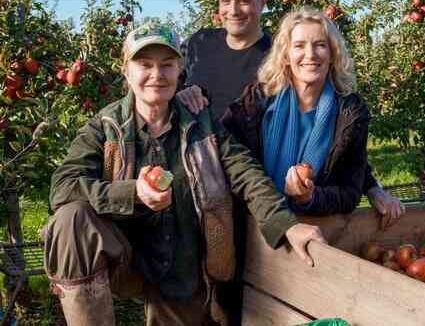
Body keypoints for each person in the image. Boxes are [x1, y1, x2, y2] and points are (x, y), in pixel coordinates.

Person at [42, 23, 325, 326]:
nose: (156, 74)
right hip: (123, 258)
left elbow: (246, 174)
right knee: (71, 218)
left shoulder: (202, 124)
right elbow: (63, 187)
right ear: (126, 72)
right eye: (144, 64)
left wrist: (287, 225)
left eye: (167, 65)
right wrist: (133, 192)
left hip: (182, 266)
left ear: (180, 70)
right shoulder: (105, 127)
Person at [178, 0, 405, 225]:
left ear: (262, 2)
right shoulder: (199, 43)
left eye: (243, 1)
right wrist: (181, 93)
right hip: (205, 186)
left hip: (256, 203)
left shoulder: (276, 65)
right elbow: (168, 83)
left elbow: (342, 147)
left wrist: (372, 187)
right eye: (225, 1)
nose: (232, 10)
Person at [222, 6, 373, 215]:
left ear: (332, 53)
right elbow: (227, 161)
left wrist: (311, 197)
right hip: (256, 228)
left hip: (316, 231)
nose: (310, 55)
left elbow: (350, 192)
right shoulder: (255, 102)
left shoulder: (349, 113)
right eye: (299, 46)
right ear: (286, 55)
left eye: (320, 45)